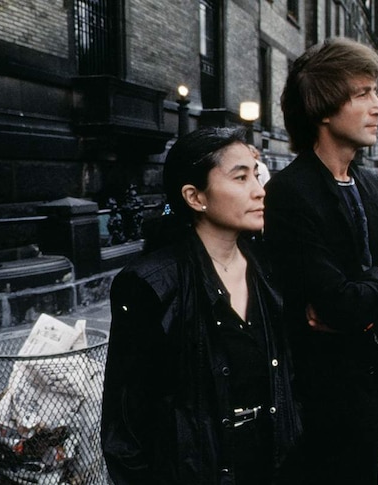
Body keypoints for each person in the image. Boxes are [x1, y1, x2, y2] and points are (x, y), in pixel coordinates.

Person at [101, 127, 301, 485]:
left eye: (256, 175)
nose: (259, 190)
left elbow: (287, 377)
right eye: (240, 178)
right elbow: (126, 422)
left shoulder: (268, 269)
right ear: (195, 197)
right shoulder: (151, 285)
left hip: (271, 465)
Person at [263, 37, 378, 484]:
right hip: (314, 394)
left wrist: (376, 298)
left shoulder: (372, 187)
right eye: (364, 94)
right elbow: (334, 304)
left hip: (370, 385)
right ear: (324, 109)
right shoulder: (290, 194)